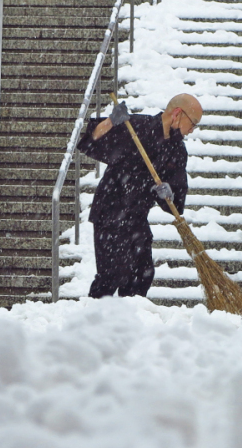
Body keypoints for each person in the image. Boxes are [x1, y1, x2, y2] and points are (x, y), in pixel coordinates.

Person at [77, 94, 202, 299]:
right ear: (178, 114)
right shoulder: (134, 126)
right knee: (112, 274)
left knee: (142, 273)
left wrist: (168, 192)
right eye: (193, 123)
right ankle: (94, 321)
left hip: (136, 216)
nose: (191, 130)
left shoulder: (177, 150)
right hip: (110, 211)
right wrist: (111, 121)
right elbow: (91, 142)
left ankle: (130, 322)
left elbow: (176, 199)